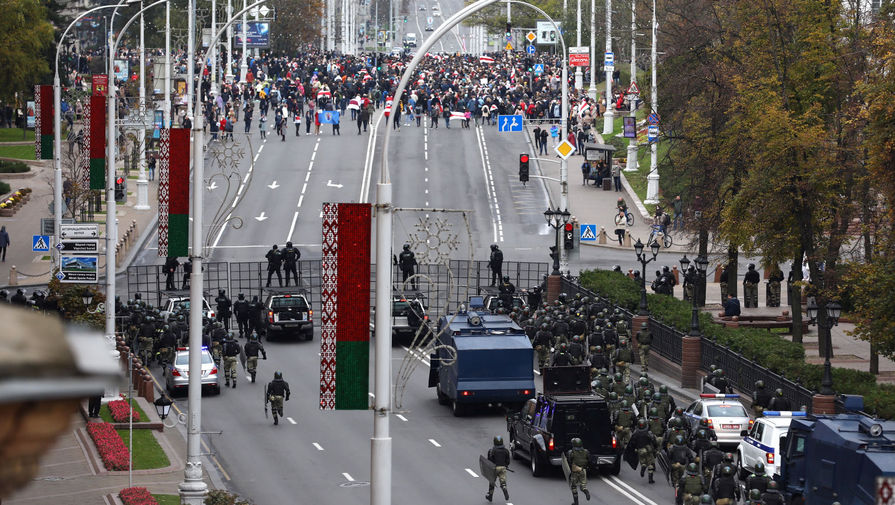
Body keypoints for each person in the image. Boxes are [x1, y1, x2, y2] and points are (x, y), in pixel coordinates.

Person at [628, 419, 658, 483]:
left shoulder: (635, 433)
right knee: (650, 464)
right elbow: (653, 440)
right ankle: (650, 479)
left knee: (643, 462)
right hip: (649, 449)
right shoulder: (648, 432)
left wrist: (634, 449)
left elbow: (632, 442)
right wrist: (655, 448)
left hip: (640, 450)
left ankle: (643, 466)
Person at [485, 435, 511, 502]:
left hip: (494, 468)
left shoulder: (491, 451)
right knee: (503, 481)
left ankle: (490, 496)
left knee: (492, 482)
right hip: (503, 468)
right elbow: (508, 461)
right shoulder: (506, 451)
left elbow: (489, 461)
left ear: (494, 442)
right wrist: (505, 465)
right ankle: (504, 488)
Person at [566, 438, 591, 505]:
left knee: (574, 487)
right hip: (583, 470)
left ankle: (576, 503)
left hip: (575, 471)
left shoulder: (571, 452)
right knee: (583, 486)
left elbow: (569, 461)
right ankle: (586, 492)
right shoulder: (586, 451)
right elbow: (589, 460)